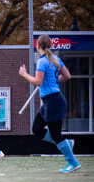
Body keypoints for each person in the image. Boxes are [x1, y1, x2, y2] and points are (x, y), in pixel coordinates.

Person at [19, 34, 80, 173]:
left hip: (54, 102)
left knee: (56, 134)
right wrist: (54, 80)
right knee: (37, 129)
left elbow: (38, 82)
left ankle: (73, 162)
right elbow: (67, 76)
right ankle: (67, 143)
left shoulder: (42, 62)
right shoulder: (55, 59)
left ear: (37, 46)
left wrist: (24, 74)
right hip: (49, 102)